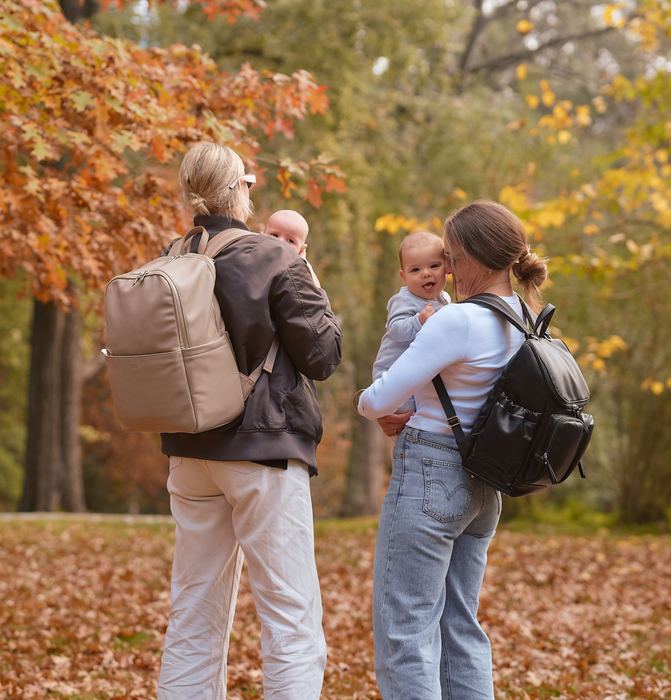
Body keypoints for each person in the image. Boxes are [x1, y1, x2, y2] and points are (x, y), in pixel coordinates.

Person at [157, 142, 343, 700]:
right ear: (239, 188)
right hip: (262, 450)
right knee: (290, 616)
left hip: (190, 453)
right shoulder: (275, 257)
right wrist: (311, 281)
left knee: (193, 612)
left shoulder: (173, 256)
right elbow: (323, 356)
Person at [356, 200, 548, 700]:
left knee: (405, 628)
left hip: (431, 473)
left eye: (452, 256)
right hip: (486, 483)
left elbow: (378, 398)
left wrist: (373, 405)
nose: (447, 270)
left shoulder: (457, 320)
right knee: (462, 626)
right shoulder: (527, 317)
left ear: (477, 258)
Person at [372, 230, 450, 414]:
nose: (425, 273)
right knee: (404, 417)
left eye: (434, 266)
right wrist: (419, 320)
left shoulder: (445, 299)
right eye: (415, 270)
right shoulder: (403, 300)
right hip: (393, 376)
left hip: (419, 376)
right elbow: (397, 331)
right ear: (404, 276)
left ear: (447, 268)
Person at [264, 209, 320, 286]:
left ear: (301, 250)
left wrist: (304, 264)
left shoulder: (296, 271)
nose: (280, 242)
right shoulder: (254, 252)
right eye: (274, 235)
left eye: (290, 240)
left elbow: (315, 289)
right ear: (261, 235)